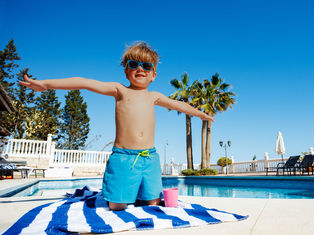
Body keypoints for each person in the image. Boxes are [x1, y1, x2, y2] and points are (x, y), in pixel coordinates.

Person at [19, 42, 214, 210]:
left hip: (150, 158)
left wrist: (200, 114)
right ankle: (127, 192)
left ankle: (139, 192)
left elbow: (178, 104)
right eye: (134, 64)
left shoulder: (154, 96)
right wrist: (45, 84)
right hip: (123, 157)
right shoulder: (120, 90)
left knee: (153, 203)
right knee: (116, 206)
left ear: (153, 74)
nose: (140, 69)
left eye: (147, 66)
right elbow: (85, 82)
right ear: (126, 71)